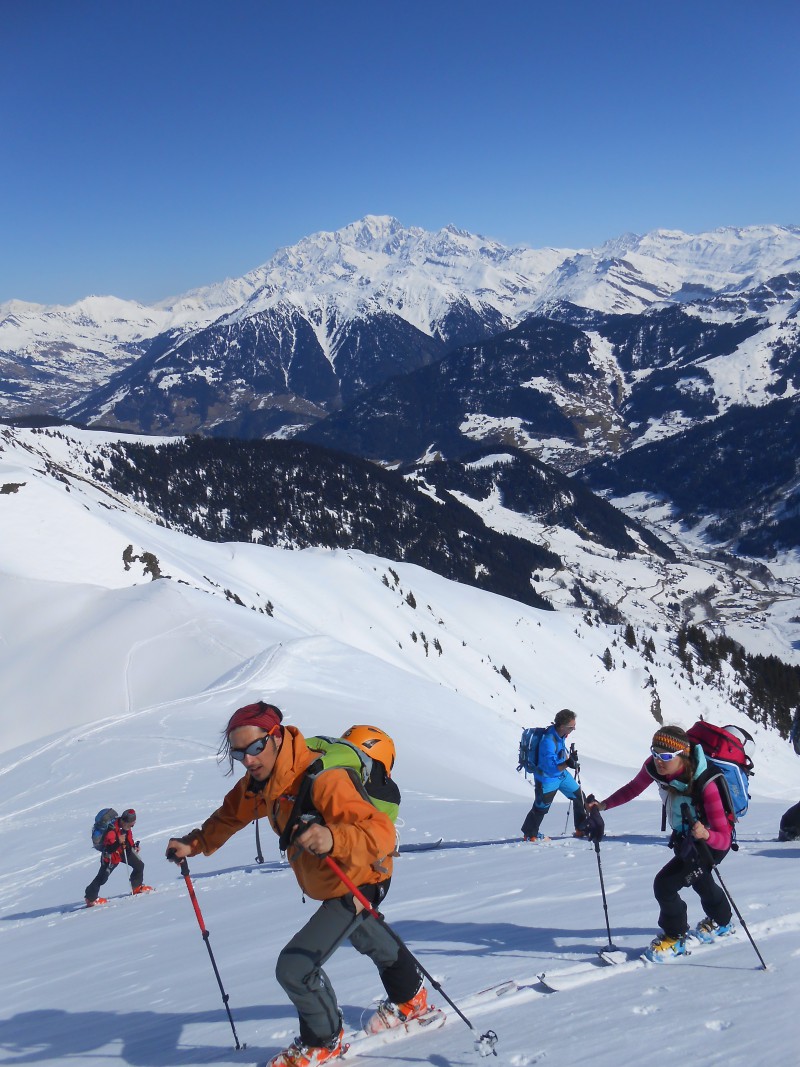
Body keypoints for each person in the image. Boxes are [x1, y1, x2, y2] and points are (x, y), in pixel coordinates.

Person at [166, 702, 430, 1067]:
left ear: (275, 737)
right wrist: (196, 843)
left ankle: (323, 1039)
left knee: (294, 967)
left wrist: (333, 838)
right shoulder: (264, 781)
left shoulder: (324, 780)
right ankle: (410, 997)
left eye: (255, 748)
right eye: (239, 753)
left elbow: (381, 834)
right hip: (333, 878)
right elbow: (231, 815)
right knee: (364, 932)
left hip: (362, 875)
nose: (248, 760)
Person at [586, 724, 733, 960]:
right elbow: (633, 788)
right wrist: (603, 805)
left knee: (665, 885)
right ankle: (722, 922)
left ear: (682, 755)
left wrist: (706, 835)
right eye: (654, 753)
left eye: (665, 756)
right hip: (687, 840)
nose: (658, 761)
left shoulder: (706, 785)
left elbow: (724, 839)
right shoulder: (656, 768)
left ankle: (675, 938)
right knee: (699, 880)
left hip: (709, 845)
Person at [520, 709, 586, 841]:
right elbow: (551, 767)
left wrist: (569, 760)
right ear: (562, 726)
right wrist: (568, 763)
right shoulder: (548, 742)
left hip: (561, 775)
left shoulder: (560, 734)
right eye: (571, 727)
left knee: (579, 797)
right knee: (541, 807)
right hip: (547, 779)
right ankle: (530, 834)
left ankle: (582, 828)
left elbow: (560, 752)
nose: (574, 729)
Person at [85, 808, 153, 906]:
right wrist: (118, 841)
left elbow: (129, 839)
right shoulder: (111, 830)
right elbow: (109, 849)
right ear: (125, 821)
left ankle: (137, 887)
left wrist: (133, 847)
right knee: (102, 878)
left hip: (123, 851)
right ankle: (90, 898)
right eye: (131, 824)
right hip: (111, 856)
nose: (132, 826)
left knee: (139, 865)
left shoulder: (126, 828)